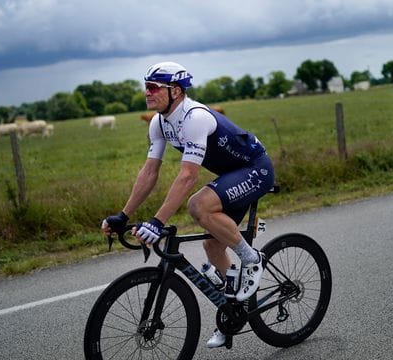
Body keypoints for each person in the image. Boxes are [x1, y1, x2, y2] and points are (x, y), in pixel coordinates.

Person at [101, 61, 275, 348]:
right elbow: (150, 172)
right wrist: (124, 214)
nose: (147, 93)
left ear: (176, 92)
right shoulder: (159, 122)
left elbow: (187, 176)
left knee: (198, 206)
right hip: (232, 175)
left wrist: (157, 222)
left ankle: (252, 258)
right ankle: (232, 310)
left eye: (154, 87)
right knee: (212, 246)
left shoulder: (194, 117)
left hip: (256, 168)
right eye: (146, 87)